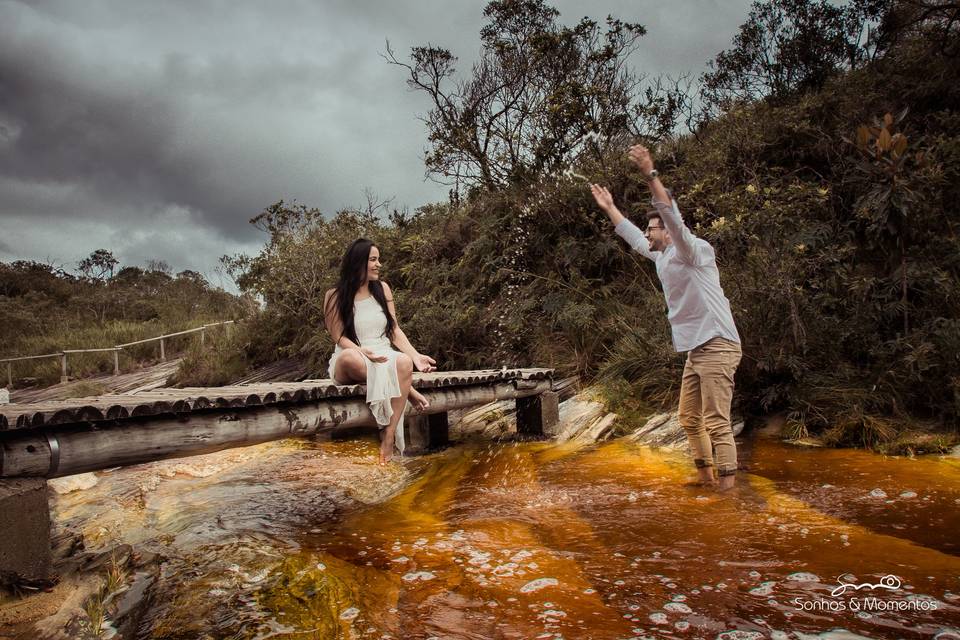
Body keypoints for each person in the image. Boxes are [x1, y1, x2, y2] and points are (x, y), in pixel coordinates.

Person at [590, 145, 743, 490]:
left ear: (669, 231)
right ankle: (705, 479)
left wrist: (649, 174)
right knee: (689, 418)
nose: (647, 232)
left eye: (653, 228)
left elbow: (672, 216)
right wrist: (611, 208)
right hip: (696, 349)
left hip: (717, 344)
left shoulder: (693, 251)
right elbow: (631, 236)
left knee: (717, 421)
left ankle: (728, 494)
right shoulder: (661, 256)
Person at [324, 238, 436, 465]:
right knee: (348, 358)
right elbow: (338, 337)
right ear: (358, 262)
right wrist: (363, 352)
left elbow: (394, 329)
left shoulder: (382, 289)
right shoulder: (334, 295)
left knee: (403, 362)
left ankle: (388, 434)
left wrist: (416, 356)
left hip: (383, 355)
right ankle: (408, 389)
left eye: (378, 259)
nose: (379, 265)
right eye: (373, 260)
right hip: (354, 354)